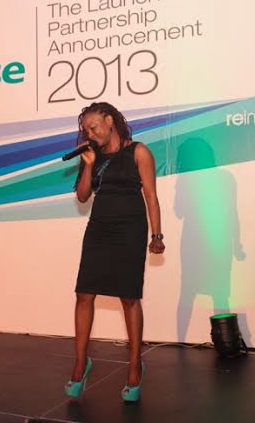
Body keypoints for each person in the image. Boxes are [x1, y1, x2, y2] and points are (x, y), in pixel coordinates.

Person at [64, 102, 165, 403]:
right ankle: (81, 363)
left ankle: (135, 366)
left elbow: (151, 196)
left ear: (110, 121)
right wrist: (89, 165)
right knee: (84, 294)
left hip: (130, 229)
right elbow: (83, 196)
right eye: (86, 130)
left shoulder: (139, 152)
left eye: (93, 127)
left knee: (129, 297)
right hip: (99, 229)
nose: (90, 133)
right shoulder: (92, 155)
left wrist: (157, 235)